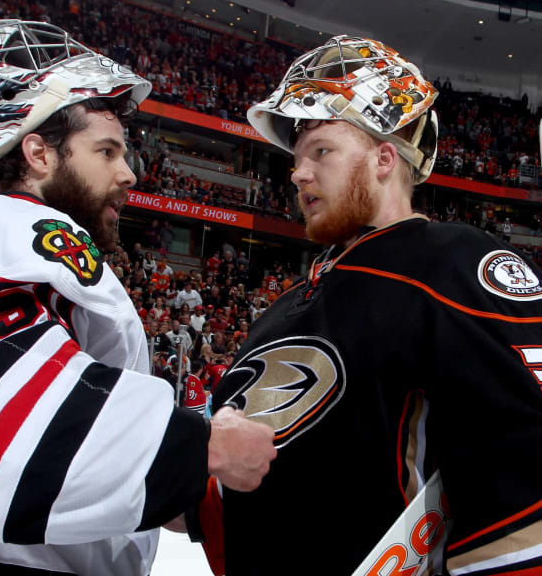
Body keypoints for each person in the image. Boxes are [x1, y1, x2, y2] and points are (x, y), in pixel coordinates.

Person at [0, 20, 276, 576]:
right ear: (39, 154)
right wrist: (201, 446)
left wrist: (182, 488)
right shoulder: (19, 229)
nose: (128, 174)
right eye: (106, 151)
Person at [209, 35, 542, 576]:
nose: (298, 173)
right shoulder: (283, 308)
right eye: (296, 158)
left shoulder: (457, 263)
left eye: (321, 151)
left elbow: (523, 468)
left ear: (386, 158)